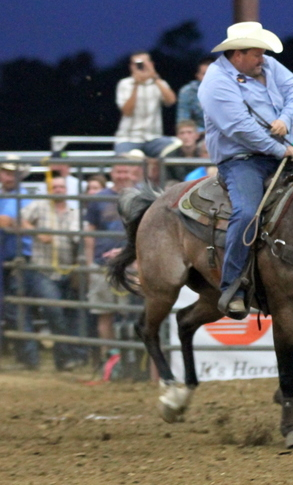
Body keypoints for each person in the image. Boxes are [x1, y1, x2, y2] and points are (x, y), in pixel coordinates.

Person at [197, 22, 293, 318]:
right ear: (237, 54)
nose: (263, 59)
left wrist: (286, 117)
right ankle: (233, 286)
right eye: (256, 54)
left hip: (284, 150)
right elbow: (239, 128)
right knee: (246, 213)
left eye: (263, 53)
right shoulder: (216, 83)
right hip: (242, 160)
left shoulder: (266, 64)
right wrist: (282, 149)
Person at [20, 174, 87, 370]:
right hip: (44, 270)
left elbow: (80, 239)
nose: (58, 190)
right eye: (54, 187)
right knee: (54, 310)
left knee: (69, 314)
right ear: (49, 189)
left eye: (61, 187)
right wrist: (36, 233)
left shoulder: (74, 210)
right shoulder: (39, 206)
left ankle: (64, 359)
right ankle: (66, 357)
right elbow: (21, 218)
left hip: (68, 269)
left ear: (66, 189)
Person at [84, 163, 136, 355]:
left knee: (130, 313)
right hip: (101, 263)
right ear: (111, 173)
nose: (122, 175)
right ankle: (110, 358)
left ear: (132, 172)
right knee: (104, 313)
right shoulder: (99, 199)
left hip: (132, 264)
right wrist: (90, 264)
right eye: (118, 171)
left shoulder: (140, 197)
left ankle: (130, 357)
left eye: (125, 170)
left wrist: (131, 254)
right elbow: (90, 232)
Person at [0, 157, 36, 368]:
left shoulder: (24, 197)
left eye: (10, 172)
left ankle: (29, 357)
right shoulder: (6, 195)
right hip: (6, 255)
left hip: (18, 257)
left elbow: (12, 222)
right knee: (12, 307)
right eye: (4, 171)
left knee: (17, 307)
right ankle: (23, 355)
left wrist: (8, 222)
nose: (5, 176)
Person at [114, 51, 181, 158]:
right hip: (129, 138)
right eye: (138, 64)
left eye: (144, 63)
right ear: (131, 66)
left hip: (154, 138)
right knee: (128, 158)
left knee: (177, 145)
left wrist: (154, 77)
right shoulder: (124, 84)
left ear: (151, 64)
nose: (141, 66)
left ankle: (165, 173)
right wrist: (136, 84)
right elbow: (127, 111)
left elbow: (171, 101)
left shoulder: (160, 83)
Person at [176, 56, 215, 131]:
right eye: (204, 74)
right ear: (197, 76)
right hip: (197, 136)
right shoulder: (187, 92)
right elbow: (183, 123)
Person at [163, 120, 202, 184]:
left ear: (197, 135)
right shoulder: (170, 157)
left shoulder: (204, 155)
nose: (186, 137)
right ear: (177, 136)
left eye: (189, 132)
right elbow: (167, 180)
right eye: (182, 133)